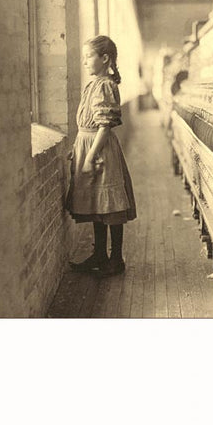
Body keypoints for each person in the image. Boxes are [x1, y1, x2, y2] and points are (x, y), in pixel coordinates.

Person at [66, 35, 137, 276]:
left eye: (89, 56)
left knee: (110, 205)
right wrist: (78, 148)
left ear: (104, 58)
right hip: (89, 143)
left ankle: (116, 259)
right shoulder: (95, 83)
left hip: (100, 149)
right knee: (98, 203)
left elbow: (105, 125)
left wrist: (89, 156)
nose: (85, 61)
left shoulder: (106, 84)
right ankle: (99, 255)